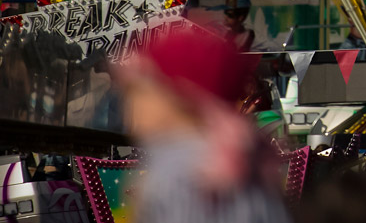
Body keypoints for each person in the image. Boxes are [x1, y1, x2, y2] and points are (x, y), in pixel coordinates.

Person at [116, 23, 292, 223]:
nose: (129, 100)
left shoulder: (182, 171)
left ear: (181, 97)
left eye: (140, 90)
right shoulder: (241, 157)